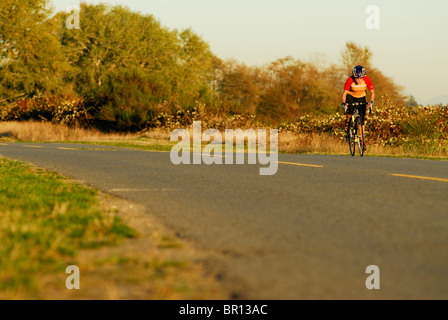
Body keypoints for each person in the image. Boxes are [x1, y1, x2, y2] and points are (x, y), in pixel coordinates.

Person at [341, 65, 375, 150]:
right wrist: (344, 103)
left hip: (361, 97)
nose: (359, 80)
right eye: (357, 78)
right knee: (349, 112)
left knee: (361, 120)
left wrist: (371, 101)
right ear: (354, 77)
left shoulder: (367, 79)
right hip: (351, 96)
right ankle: (347, 123)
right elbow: (344, 93)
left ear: (363, 77)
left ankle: (361, 141)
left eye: (361, 78)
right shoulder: (349, 80)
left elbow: (372, 92)